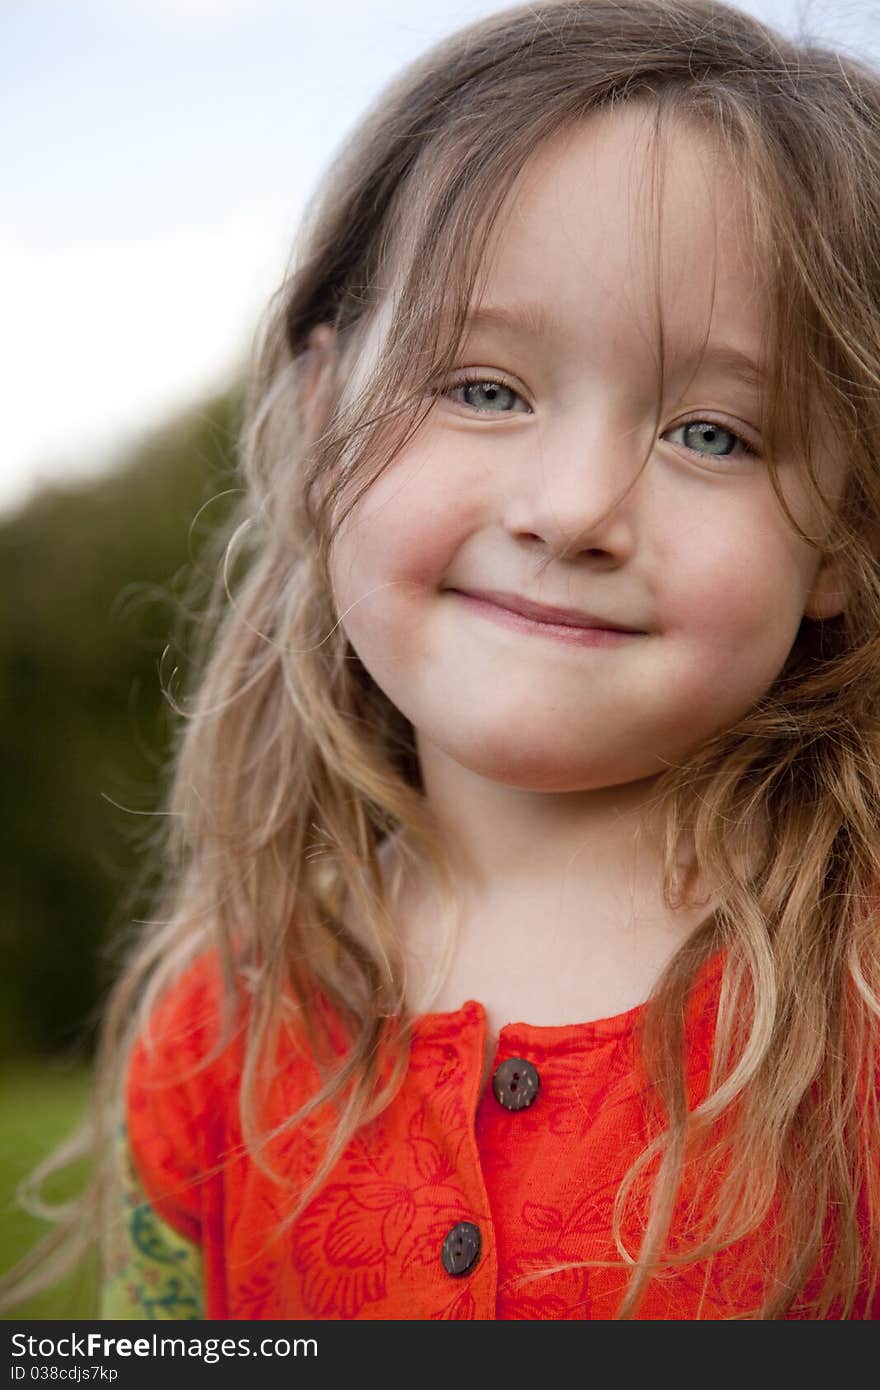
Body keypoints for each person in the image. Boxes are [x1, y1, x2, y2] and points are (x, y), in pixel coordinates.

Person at [5, 0, 880, 1320]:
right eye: (483, 388)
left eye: (712, 432)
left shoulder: (856, 1002)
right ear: (319, 420)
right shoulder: (218, 1030)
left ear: (843, 535)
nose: (577, 505)